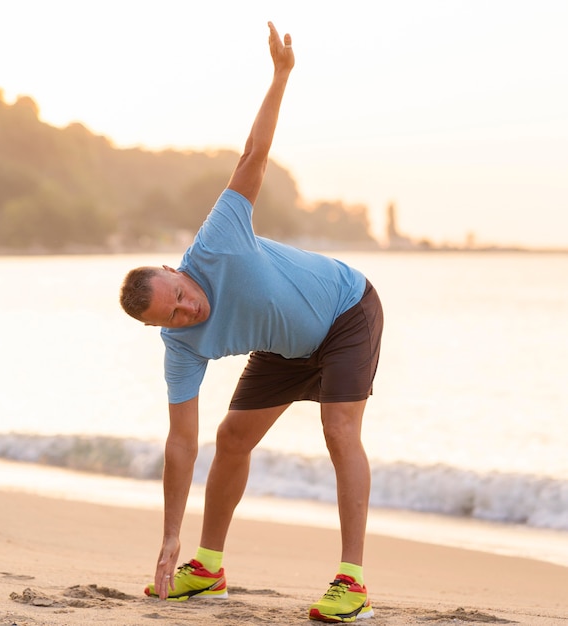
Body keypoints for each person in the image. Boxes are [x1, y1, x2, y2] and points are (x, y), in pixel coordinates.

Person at [120, 21, 383, 623]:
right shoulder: (180, 345)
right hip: (284, 348)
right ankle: (207, 568)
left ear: (175, 268)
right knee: (230, 438)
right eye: (174, 315)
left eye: (180, 295)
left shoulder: (215, 241)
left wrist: (280, 75)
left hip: (345, 310)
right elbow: (179, 442)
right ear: (158, 327)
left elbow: (254, 154)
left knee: (340, 431)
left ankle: (352, 581)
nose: (189, 309)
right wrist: (168, 536)